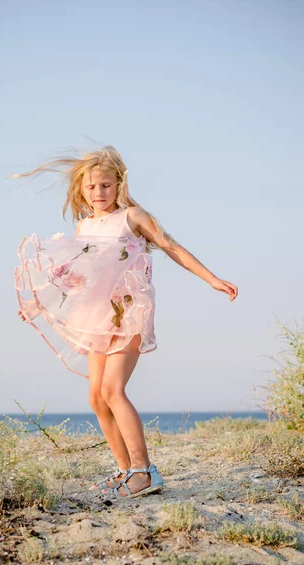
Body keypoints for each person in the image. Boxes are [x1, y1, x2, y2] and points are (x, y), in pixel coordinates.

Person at [12, 146, 238, 499]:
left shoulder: (132, 217)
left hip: (129, 310)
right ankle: (123, 470)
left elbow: (171, 246)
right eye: (91, 187)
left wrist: (211, 279)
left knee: (114, 390)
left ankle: (144, 471)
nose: (98, 193)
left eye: (105, 185)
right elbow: (73, 275)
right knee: (97, 398)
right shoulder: (84, 224)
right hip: (94, 315)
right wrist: (38, 304)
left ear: (119, 183)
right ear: (80, 190)